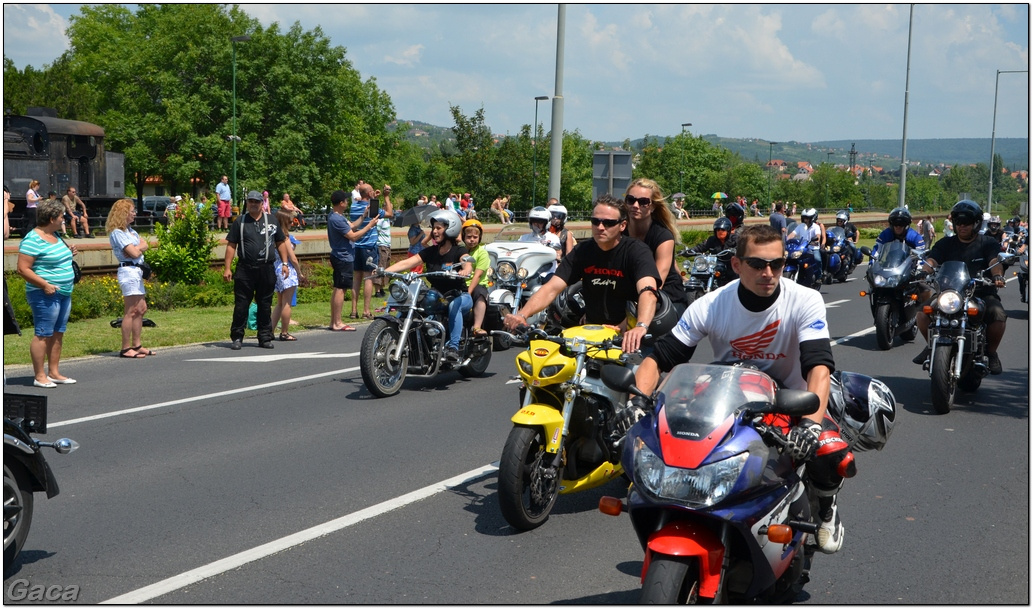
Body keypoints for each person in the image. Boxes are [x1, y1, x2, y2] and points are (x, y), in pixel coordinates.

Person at [633, 224, 849, 554]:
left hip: (790, 398)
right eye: (757, 264)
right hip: (728, 395)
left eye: (777, 264)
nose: (769, 273)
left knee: (830, 453)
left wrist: (811, 424)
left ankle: (827, 506)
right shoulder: (711, 304)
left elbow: (818, 366)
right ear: (736, 265)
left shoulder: (805, 300)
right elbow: (660, 357)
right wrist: (637, 402)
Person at [502, 194, 660, 354]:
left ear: (622, 225)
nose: (600, 227)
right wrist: (522, 314)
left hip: (630, 334)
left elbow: (648, 291)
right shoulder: (583, 251)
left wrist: (640, 326)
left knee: (637, 375)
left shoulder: (636, 251)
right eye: (595, 221)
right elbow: (552, 288)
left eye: (608, 223)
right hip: (591, 333)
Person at [912, 200, 1007, 374]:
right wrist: (923, 271)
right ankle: (930, 346)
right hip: (950, 293)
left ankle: (992, 353)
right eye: (959, 222)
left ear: (976, 223)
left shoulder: (987, 243)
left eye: (967, 222)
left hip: (981, 293)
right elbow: (933, 259)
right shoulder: (945, 244)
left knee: (998, 314)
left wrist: (997, 276)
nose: (962, 226)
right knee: (923, 312)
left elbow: (994, 261)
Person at [380, 209, 472, 363]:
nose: (434, 232)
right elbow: (408, 262)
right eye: (433, 228)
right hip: (438, 295)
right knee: (415, 304)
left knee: (453, 306)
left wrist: (466, 270)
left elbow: (466, 260)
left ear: (450, 228)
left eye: (438, 228)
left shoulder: (458, 250)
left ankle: (453, 347)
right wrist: (384, 271)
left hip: (459, 295)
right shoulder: (431, 251)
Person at [16, 198, 78, 387]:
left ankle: (54, 372)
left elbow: (54, 256)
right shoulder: (33, 239)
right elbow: (23, 269)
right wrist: (45, 285)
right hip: (44, 293)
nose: (64, 219)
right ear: (52, 218)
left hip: (64, 292)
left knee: (58, 333)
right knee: (43, 333)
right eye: (61, 216)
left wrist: (70, 252)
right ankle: (39, 376)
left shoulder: (56, 236)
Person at [223, 190, 291, 350]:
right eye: (250, 201)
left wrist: (285, 263)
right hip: (245, 269)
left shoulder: (272, 221)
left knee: (265, 304)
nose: (253, 204)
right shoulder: (240, 222)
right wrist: (227, 268)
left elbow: (280, 242)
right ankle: (237, 337)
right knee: (241, 305)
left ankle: (265, 337)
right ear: (247, 203)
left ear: (262, 204)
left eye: (256, 202)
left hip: (266, 268)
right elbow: (231, 245)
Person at [624, 178, 689, 320]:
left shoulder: (663, 236)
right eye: (631, 200)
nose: (635, 205)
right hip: (629, 296)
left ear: (653, 206)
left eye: (643, 202)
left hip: (666, 298)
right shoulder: (619, 233)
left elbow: (657, 282)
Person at [106, 198, 153, 359]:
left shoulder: (131, 231)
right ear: (123, 213)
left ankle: (137, 345)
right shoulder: (117, 233)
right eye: (132, 211)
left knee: (141, 309)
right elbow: (133, 253)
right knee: (131, 310)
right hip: (128, 272)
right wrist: (137, 249)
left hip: (137, 271)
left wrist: (137, 248)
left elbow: (143, 245)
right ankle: (126, 348)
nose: (134, 213)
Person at [327, 189, 377, 332]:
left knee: (338, 288)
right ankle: (337, 322)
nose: (348, 202)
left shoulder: (336, 216)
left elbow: (352, 226)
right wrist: (370, 226)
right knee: (340, 289)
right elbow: (353, 236)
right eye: (346, 200)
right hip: (343, 257)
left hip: (341, 256)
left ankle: (333, 321)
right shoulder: (337, 219)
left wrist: (364, 216)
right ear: (341, 203)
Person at [270, 210, 303, 341]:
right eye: (290, 221)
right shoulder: (285, 237)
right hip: (286, 269)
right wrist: (299, 273)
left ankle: (270, 330)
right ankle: (284, 332)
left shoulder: (273, 236)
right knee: (287, 303)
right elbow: (293, 258)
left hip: (276, 268)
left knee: (279, 303)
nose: (292, 223)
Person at [350, 183, 382, 319]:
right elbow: (390, 213)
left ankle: (353, 310)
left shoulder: (353, 207)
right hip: (369, 246)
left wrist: (372, 197)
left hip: (356, 246)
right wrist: (385, 197)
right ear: (369, 193)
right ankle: (366, 311)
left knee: (356, 278)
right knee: (368, 277)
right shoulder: (372, 208)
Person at [461, 218, 491, 337]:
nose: (472, 240)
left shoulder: (482, 253)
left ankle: (477, 326)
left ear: (480, 238)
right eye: (468, 237)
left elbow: (478, 275)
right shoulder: (461, 250)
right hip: (462, 283)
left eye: (475, 237)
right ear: (463, 237)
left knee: (479, 295)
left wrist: (469, 292)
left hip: (477, 284)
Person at [789, 208, 826, 276]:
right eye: (804, 218)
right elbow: (792, 234)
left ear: (812, 218)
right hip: (801, 248)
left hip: (812, 248)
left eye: (807, 218)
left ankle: (819, 276)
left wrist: (816, 241)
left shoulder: (816, 227)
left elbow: (818, 236)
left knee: (817, 259)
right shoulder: (800, 226)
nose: (805, 220)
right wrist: (786, 239)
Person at [373, 185, 394, 298]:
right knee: (380, 266)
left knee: (385, 267)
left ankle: (381, 288)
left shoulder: (386, 220)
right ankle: (377, 290)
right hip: (381, 246)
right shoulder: (381, 219)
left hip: (387, 245)